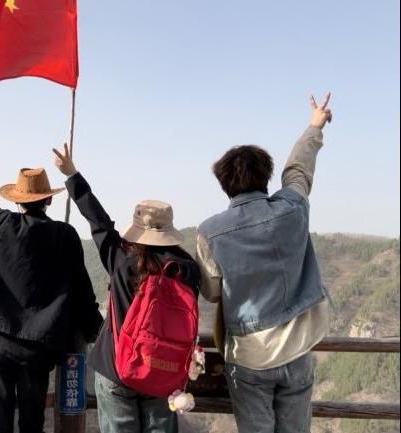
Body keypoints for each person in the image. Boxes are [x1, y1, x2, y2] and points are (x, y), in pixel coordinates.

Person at [195, 93, 334, 433]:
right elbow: (298, 172)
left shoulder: (210, 232)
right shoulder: (292, 209)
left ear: (224, 183)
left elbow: (211, 292)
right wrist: (314, 126)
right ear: (266, 175)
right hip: (297, 347)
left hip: (249, 355)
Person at [0, 124, 102, 433]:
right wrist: (95, 328)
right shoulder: (65, 236)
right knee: (32, 423)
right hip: (40, 346)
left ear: (17, 201)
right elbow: (82, 290)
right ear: (48, 200)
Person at [53, 144, 201, 433]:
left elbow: (98, 222)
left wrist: (72, 175)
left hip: (117, 367)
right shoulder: (186, 268)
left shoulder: (121, 258)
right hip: (164, 370)